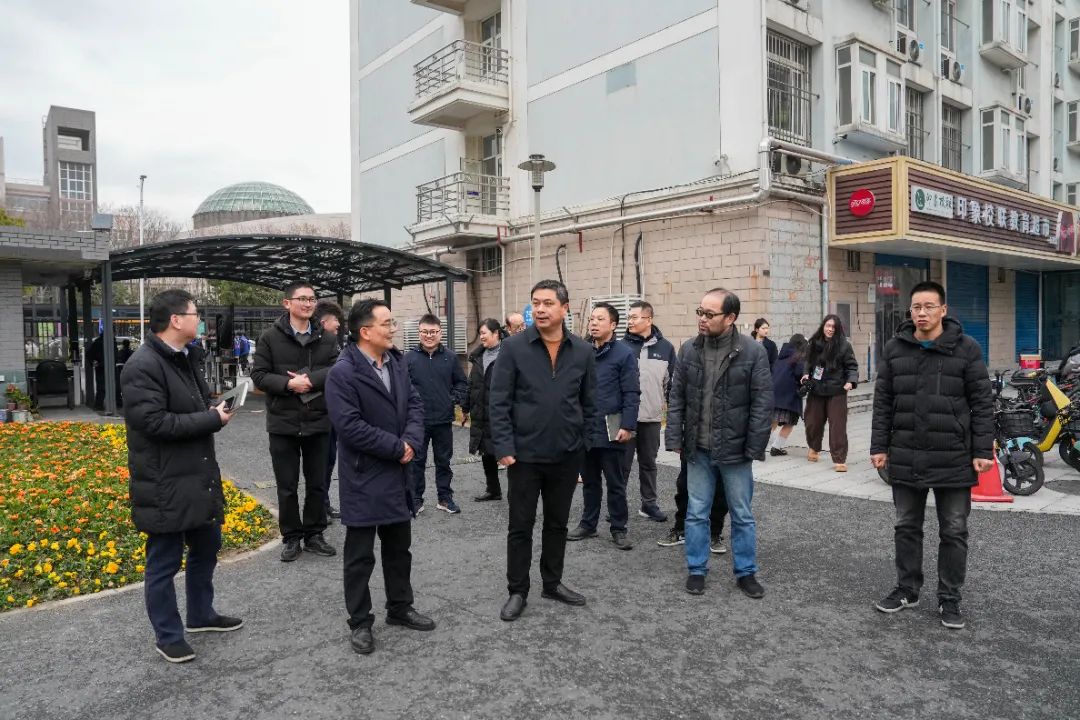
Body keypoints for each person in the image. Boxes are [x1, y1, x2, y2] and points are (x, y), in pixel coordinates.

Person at [120, 289, 240, 663]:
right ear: (175, 320)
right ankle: (168, 635)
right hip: (165, 482)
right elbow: (153, 422)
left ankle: (201, 614)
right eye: (194, 314)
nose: (199, 320)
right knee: (164, 562)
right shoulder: (142, 365)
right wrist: (211, 419)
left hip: (195, 474)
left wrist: (214, 407)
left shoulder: (186, 357)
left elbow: (194, 406)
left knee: (206, 547)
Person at [870, 281, 994, 630]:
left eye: (928, 306)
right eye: (916, 307)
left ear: (943, 310)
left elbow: (982, 402)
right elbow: (883, 403)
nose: (921, 313)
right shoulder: (895, 348)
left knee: (954, 530)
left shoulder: (966, 349)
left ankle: (949, 598)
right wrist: (879, 446)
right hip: (906, 452)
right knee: (906, 526)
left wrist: (982, 449)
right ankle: (907, 589)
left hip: (954, 455)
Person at [325, 299, 435, 654]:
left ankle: (400, 607)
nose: (393, 329)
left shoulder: (396, 362)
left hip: (398, 471)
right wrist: (395, 447)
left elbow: (415, 404)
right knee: (360, 556)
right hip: (365, 475)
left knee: (399, 549)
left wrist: (411, 442)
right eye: (387, 323)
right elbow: (350, 426)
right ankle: (360, 621)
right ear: (365, 331)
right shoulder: (343, 372)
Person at [489, 279, 598, 621]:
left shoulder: (582, 351)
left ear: (565, 308)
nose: (540, 309)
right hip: (524, 456)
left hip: (566, 455)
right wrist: (504, 446)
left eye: (548, 303)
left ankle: (552, 582)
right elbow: (499, 400)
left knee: (557, 524)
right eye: (535, 302)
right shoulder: (514, 347)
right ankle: (517, 590)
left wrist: (584, 448)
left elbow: (590, 404)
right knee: (520, 526)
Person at [665, 288, 772, 598]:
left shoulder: (752, 351)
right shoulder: (688, 349)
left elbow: (762, 402)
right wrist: (674, 437)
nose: (702, 318)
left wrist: (754, 447)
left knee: (742, 515)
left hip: (736, 450)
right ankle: (696, 569)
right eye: (700, 311)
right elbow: (677, 396)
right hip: (698, 449)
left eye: (709, 314)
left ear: (730, 318)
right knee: (696, 512)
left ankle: (746, 573)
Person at [251, 281, 340, 562]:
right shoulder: (269, 338)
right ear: (287, 303)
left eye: (312, 299)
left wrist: (309, 381)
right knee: (286, 485)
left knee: (318, 483)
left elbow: (338, 370)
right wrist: (289, 385)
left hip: (318, 421)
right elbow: (259, 375)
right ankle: (291, 537)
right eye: (302, 299)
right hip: (283, 423)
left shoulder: (327, 338)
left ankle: (314, 534)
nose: (308, 303)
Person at [567, 302, 639, 549]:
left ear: (613, 325)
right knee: (589, 481)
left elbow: (631, 392)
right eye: (592, 319)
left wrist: (627, 425)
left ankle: (619, 528)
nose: (594, 323)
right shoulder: (582, 352)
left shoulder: (624, 354)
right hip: (586, 427)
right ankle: (588, 525)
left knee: (615, 482)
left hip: (612, 426)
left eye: (600, 319)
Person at [405, 314, 468, 515]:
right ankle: (415, 500)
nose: (429, 335)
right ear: (419, 333)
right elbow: (402, 387)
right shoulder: (409, 358)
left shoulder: (450, 357)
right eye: (425, 331)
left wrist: (453, 399)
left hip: (443, 419)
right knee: (416, 462)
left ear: (440, 333)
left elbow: (461, 382)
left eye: (433, 332)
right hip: (417, 421)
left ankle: (445, 498)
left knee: (444, 461)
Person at [620, 300, 676, 523]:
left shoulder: (666, 348)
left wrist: (673, 417)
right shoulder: (620, 347)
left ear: (649, 319)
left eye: (634, 317)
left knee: (649, 464)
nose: (630, 321)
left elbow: (671, 386)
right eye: (629, 317)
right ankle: (617, 506)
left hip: (651, 418)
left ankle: (649, 504)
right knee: (621, 465)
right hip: (623, 418)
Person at [802, 315, 860, 472]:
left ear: (838, 329)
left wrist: (851, 381)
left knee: (837, 426)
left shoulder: (844, 346)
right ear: (823, 326)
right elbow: (807, 362)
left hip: (837, 390)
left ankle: (839, 459)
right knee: (812, 422)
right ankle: (814, 447)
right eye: (828, 326)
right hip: (816, 389)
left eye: (833, 327)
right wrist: (806, 374)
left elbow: (852, 366)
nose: (830, 329)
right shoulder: (814, 343)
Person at [463, 318, 504, 502]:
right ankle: (493, 490)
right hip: (481, 413)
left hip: (501, 413)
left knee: (509, 453)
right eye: (480, 334)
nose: (481, 337)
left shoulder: (508, 354)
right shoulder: (478, 356)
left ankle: (519, 493)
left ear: (496, 333)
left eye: (483, 333)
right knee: (487, 452)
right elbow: (471, 384)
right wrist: (465, 406)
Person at [315, 299, 347, 523]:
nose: (338, 326)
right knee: (319, 464)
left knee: (329, 461)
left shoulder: (335, 345)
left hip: (333, 413)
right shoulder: (314, 348)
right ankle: (317, 508)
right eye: (336, 321)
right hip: (317, 414)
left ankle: (324, 503)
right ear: (324, 322)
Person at [656, 458, 729, 555]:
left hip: (722, 452)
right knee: (685, 486)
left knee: (720, 489)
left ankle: (714, 533)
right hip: (693, 451)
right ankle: (682, 529)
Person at [767, 334, 808, 457]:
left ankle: (760, 445)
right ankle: (776, 447)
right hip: (789, 395)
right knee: (789, 423)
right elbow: (800, 374)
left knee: (774, 420)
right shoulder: (798, 357)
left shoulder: (781, 356)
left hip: (775, 393)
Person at [88, 333, 105, 410]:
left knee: (100, 387)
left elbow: (88, 354)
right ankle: (99, 405)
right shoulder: (110, 342)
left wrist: (94, 362)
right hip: (105, 367)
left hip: (99, 367)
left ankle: (99, 404)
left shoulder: (96, 343)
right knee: (104, 386)